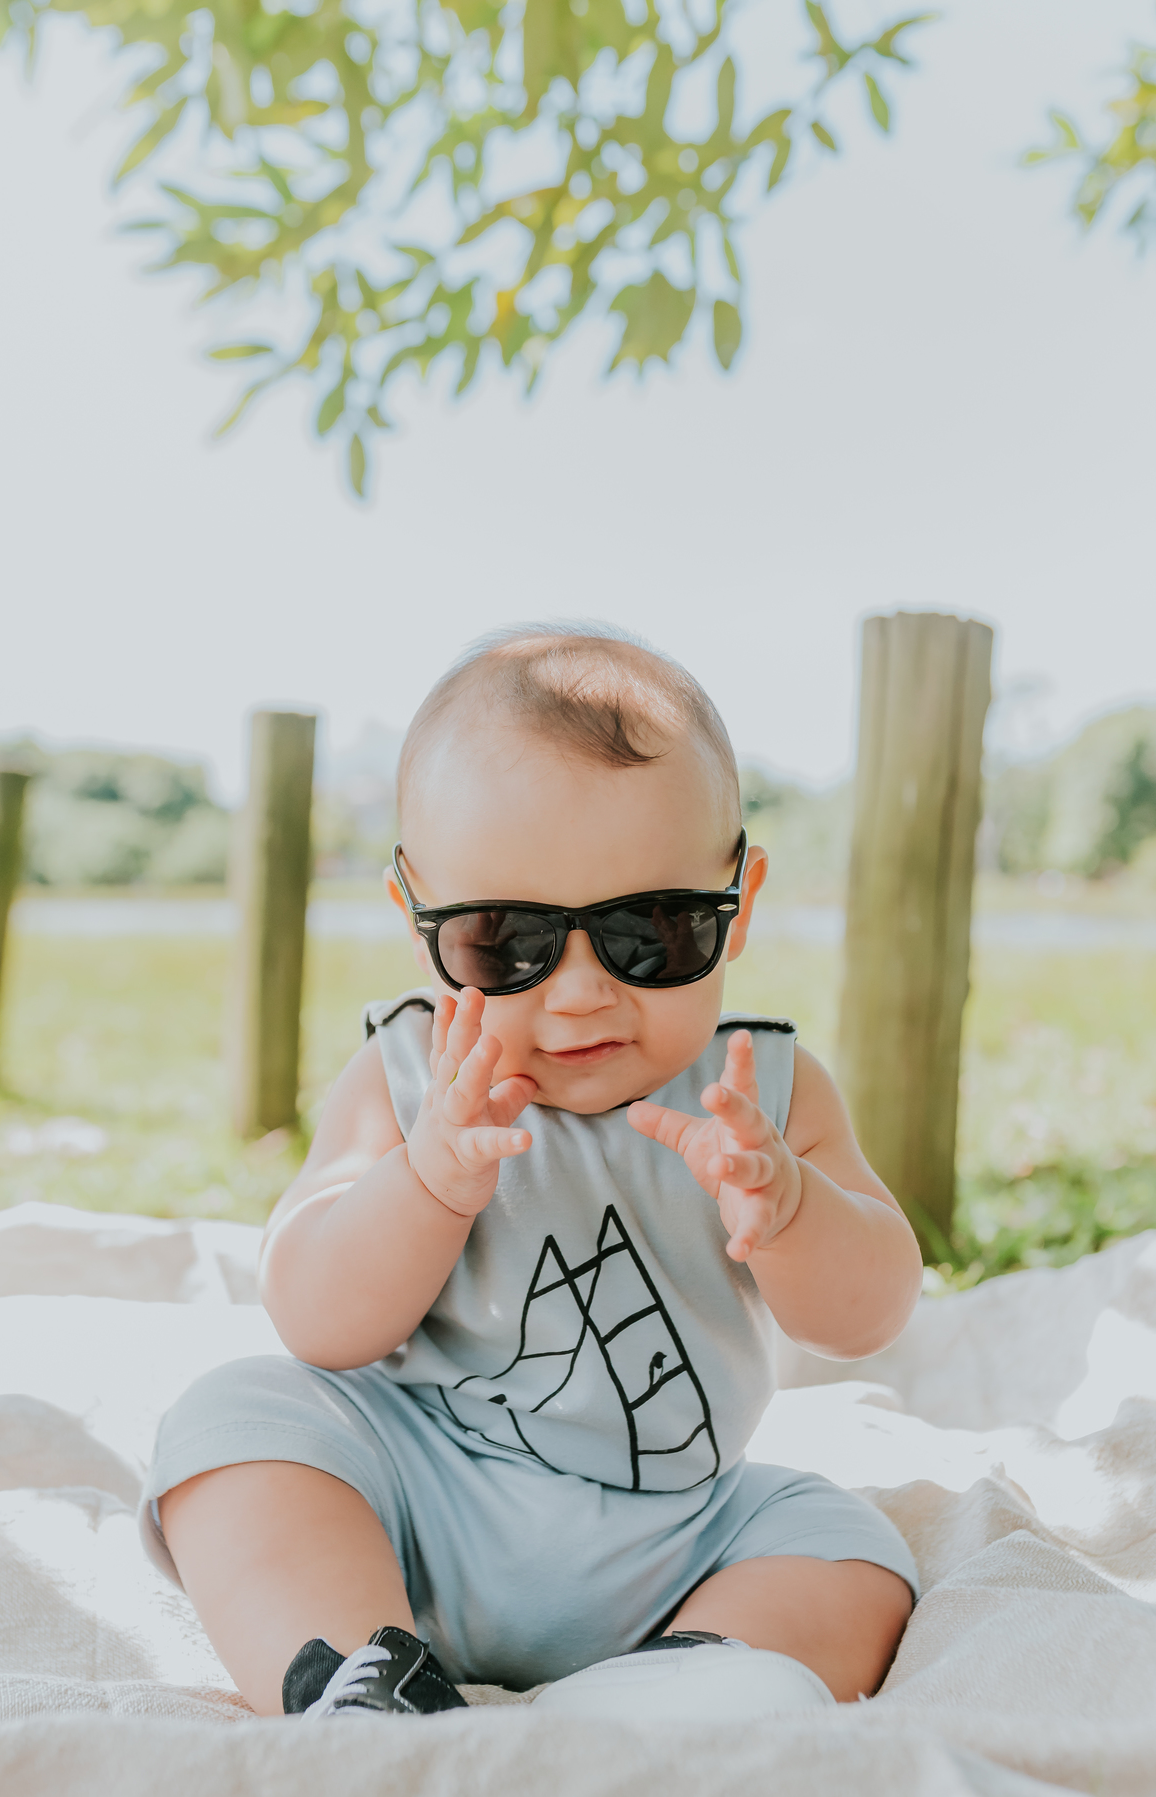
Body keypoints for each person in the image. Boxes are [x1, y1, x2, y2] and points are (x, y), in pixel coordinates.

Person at [141, 624, 922, 1724]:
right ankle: (358, 1673)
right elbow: (314, 1319)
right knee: (234, 1424)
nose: (581, 993)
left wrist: (790, 1207)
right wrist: (427, 1180)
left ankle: (690, 1673)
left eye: (650, 931)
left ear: (737, 898)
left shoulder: (767, 1094)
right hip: (414, 1509)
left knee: (853, 1552)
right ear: (419, 923)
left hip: (678, 1539)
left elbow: (871, 1311)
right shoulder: (408, 1076)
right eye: (506, 941)